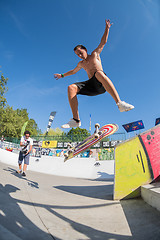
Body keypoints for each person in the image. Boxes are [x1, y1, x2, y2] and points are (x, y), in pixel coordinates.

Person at [54, 19, 134, 128]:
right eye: (78, 55)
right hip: (91, 87)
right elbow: (73, 71)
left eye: (81, 53)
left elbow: (103, 42)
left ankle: (119, 103)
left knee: (98, 74)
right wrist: (62, 75)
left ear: (85, 50)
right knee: (71, 87)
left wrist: (107, 28)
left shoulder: (95, 54)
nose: (80, 56)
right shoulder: (81, 64)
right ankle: (76, 120)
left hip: (101, 84)